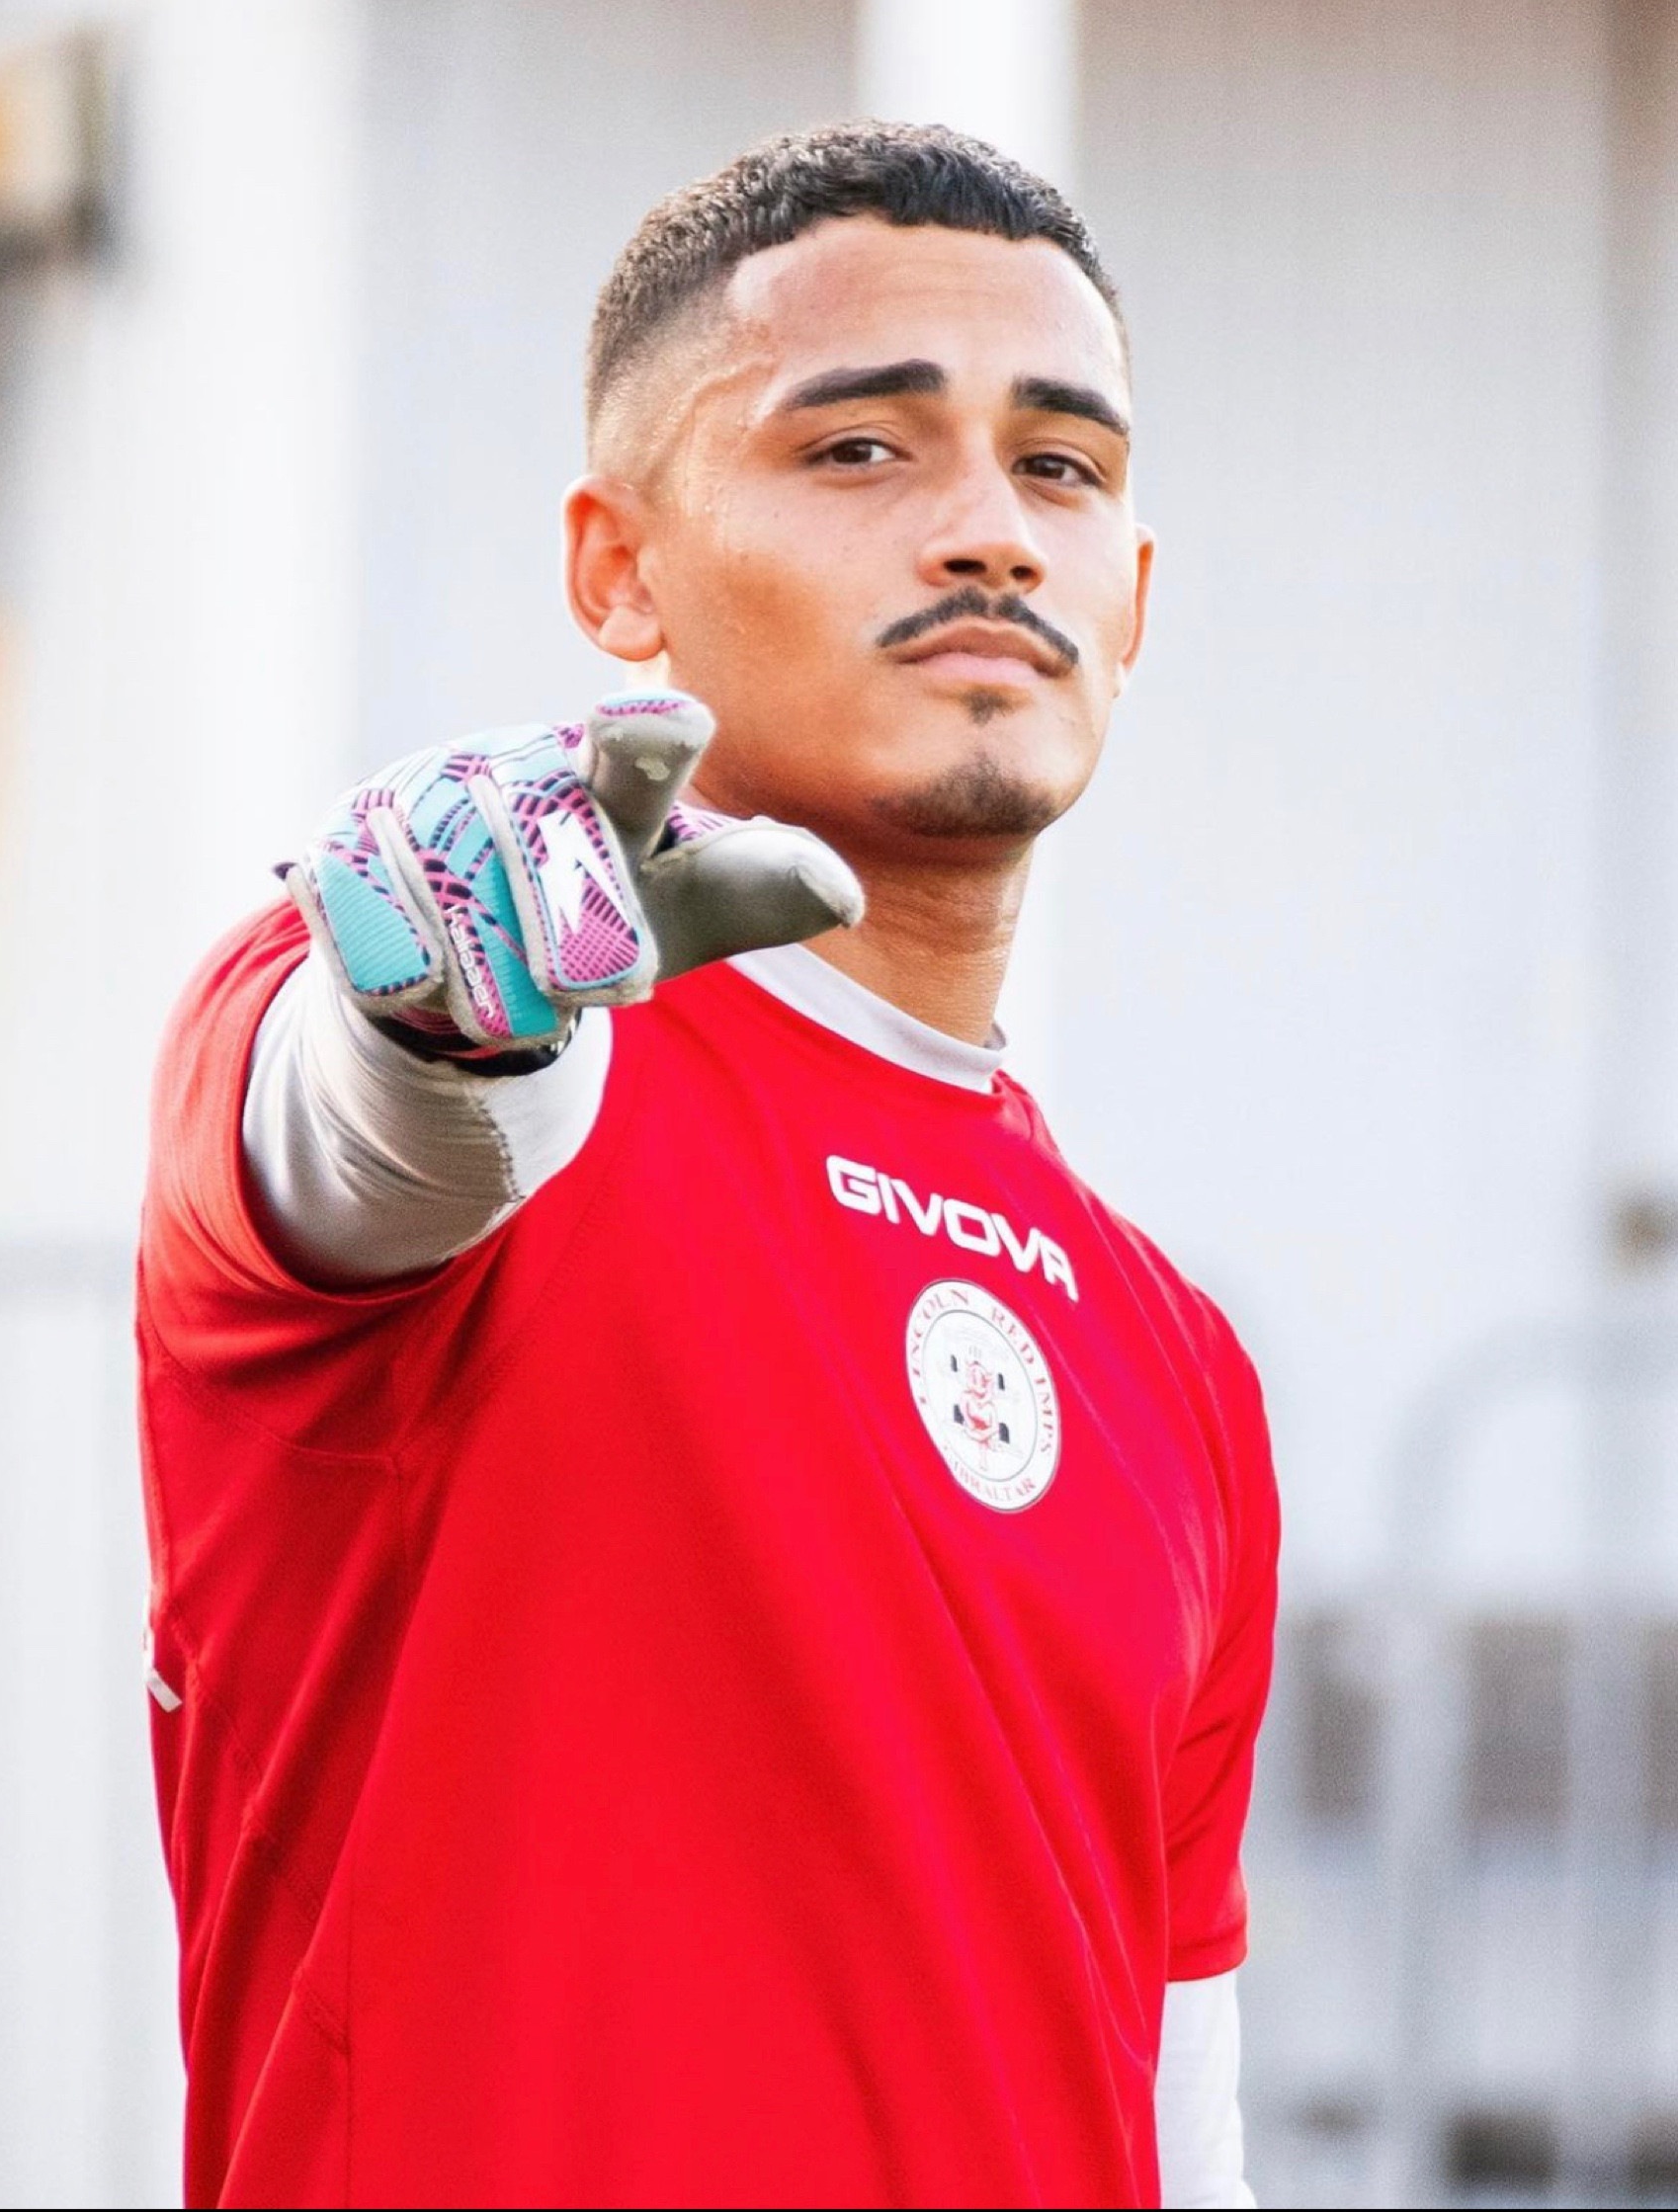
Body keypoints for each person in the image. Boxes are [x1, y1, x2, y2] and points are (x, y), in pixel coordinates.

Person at [138, 121, 1278, 2210]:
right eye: (860, 449)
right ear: (618, 571)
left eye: (1062, 466)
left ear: (1135, 589)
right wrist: (442, 1023)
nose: (992, 531)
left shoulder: (1181, 1365)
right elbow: (381, 1136)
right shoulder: (437, 1041)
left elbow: (1177, 2126)